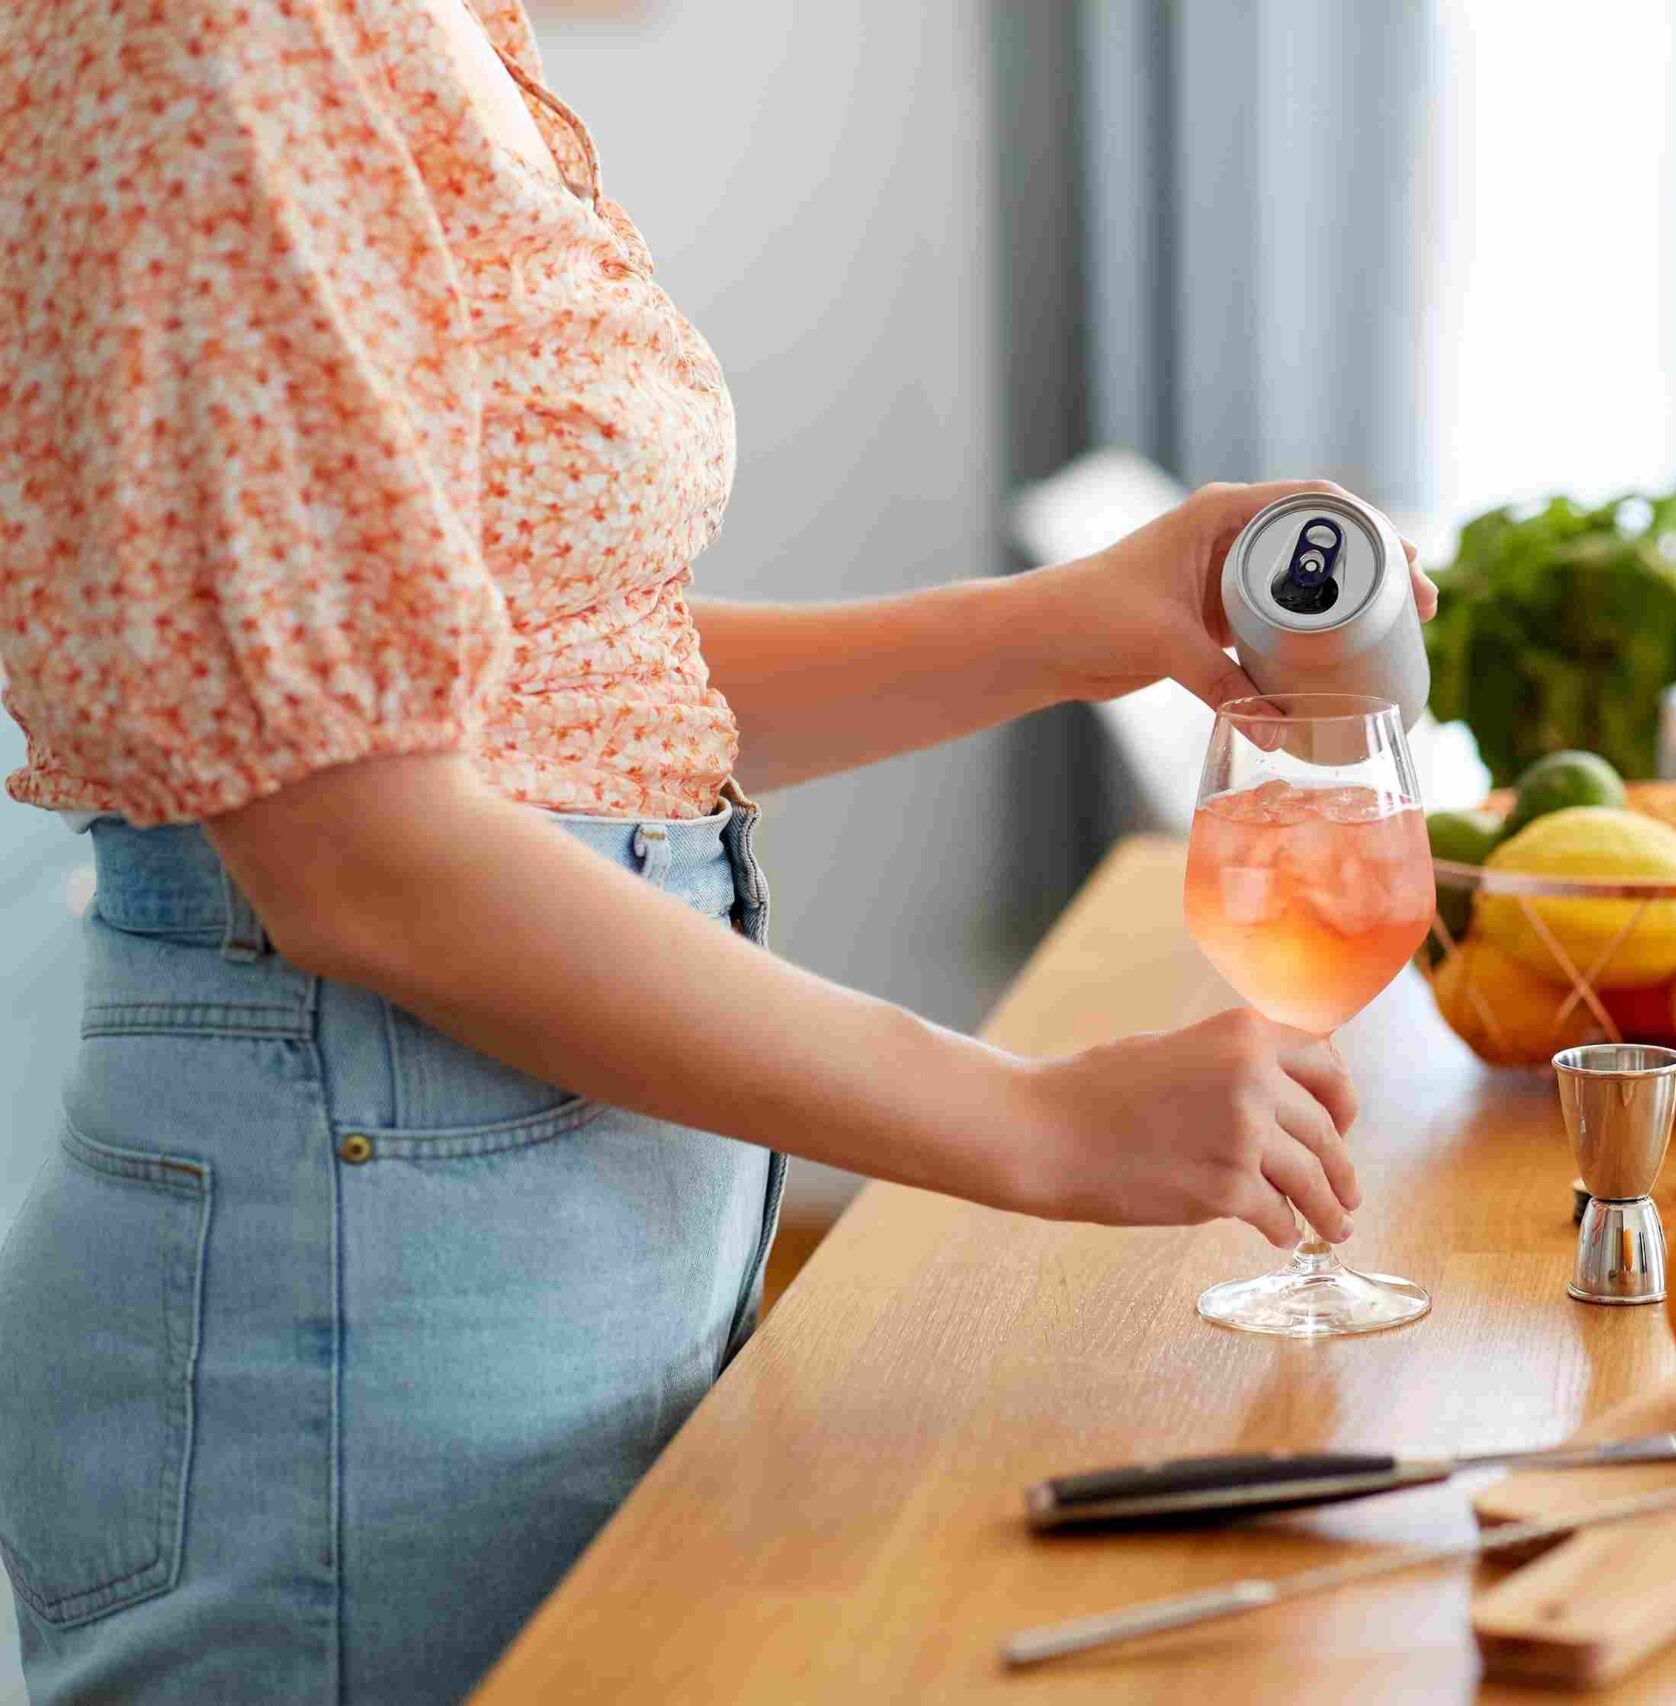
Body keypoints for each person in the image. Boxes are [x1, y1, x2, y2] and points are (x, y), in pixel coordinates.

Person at [0, 2, 1436, 1699]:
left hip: (506, 1269)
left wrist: (1071, 623)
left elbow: (567, 696)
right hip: (351, 1319)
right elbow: (358, 844)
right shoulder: (215, 25)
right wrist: (1035, 1121)